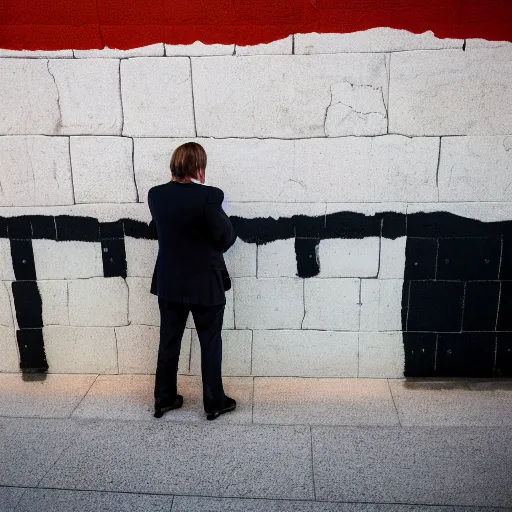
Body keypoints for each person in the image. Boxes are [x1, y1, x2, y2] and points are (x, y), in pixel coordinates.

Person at [147, 142, 237, 421]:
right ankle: (214, 402)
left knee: (169, 341)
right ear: (199, 166)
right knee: (210, 342)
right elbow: (225, 237)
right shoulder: (210, 196)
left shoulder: (155, 195)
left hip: (169, 281)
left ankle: (164, 399)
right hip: (205, 284)